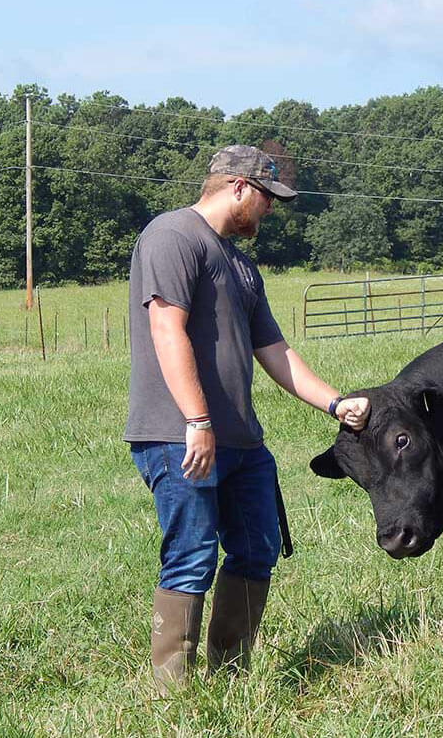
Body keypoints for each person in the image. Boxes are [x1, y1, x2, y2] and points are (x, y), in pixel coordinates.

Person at [124, 144, 369, 695]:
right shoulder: (172, 236)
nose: (270, 211)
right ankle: (174, 695)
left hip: (240, 442)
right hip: (179, 434)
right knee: (191, 557)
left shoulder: (241, 266)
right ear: (238, 187)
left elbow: (277, 352)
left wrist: (335, 402)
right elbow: (168, 329)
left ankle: (228, 680)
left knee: (258, 550)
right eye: (267, 198)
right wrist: (198, 420)